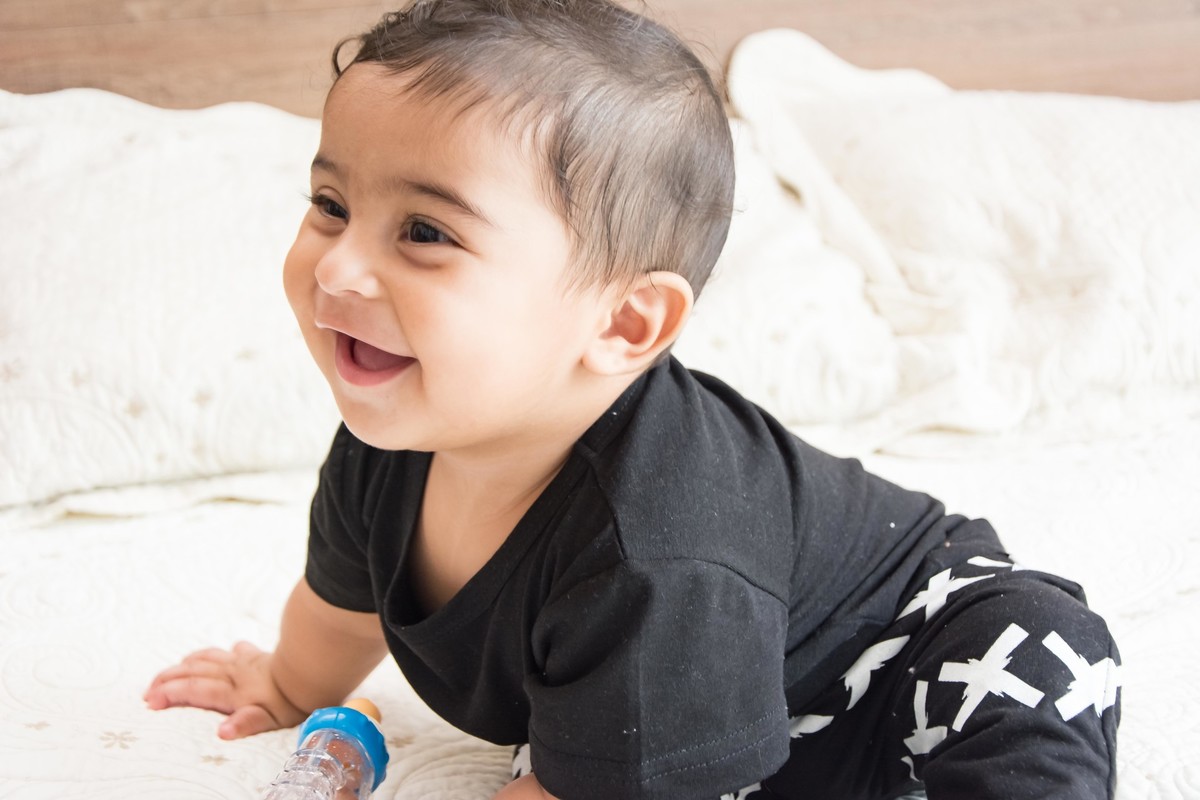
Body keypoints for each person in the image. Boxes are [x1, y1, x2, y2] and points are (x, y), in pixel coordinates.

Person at [143, 1, 1122, 797]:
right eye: (331, 206)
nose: (341, 267)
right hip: (717, 703)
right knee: (607, 741)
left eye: (426, 234)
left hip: (921, 638)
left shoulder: (658, 539)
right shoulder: (392, 430)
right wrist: (283, 683)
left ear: (623, 324)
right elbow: (343, 602)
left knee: (1027, 670)